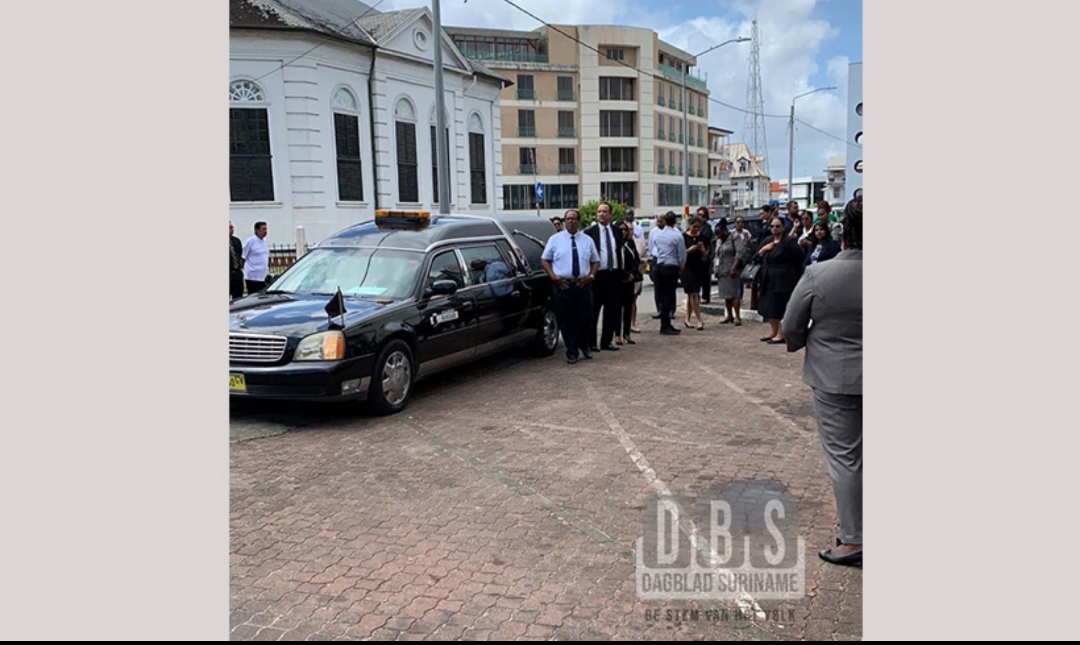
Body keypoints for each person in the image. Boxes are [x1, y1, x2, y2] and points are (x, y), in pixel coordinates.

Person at [782, 201, 863, 567]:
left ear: (842, 231)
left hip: (835, 377)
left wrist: (802, 343)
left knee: (846, 459)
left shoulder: (819, 273)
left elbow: (791, 325)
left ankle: (854, 538)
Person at [541, 210, 599, 364]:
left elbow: (595, 261)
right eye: (568, 219)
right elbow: (545, 260)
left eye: (574, 219)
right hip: (563, 286)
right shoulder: (555, 240)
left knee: (586, 318)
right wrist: (553, 277)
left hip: (583, 285)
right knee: (566, 320)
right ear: (564, 221)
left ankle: (584, 345)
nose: (571, 222)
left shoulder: (587, 240)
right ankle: (572, 351)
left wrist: (591, 276)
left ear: (578, 221)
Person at [756, 217, 805, 344]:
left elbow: (800, 257)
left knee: (780, 307)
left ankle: (781, 334)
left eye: (777, 226)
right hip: (768, 279)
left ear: (783, 227)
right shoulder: (768, 240)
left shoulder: (788, 242)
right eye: (772, 226)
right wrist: (764, 250)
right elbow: (756, 257)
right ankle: (773, 331)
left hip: (784, 280)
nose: (774, 228)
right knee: (769, 307)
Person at [584, 202, 625, 351]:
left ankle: (606, 341)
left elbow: (619, 252)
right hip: (597, 275)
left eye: (604, 211)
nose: (601, 214)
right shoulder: (590, 232)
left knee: (611, 309)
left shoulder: (617, 231)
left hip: (613, 274)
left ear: (610, 214)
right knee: (594, 310)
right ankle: (591, 342)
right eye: (599, 211)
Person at [651, 211, 687, 335]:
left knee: (662, 295)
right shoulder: (677, 236)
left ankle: (665, 322)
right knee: (669, 296)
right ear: (675, 221)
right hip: (671, 267)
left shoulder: (659, 235)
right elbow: (682, 253)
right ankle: (665, 324)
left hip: (660, 265)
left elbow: (655, 248)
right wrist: (682, 265)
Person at [713, 221, 747, 326]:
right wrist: (715, 268)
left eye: (719, 234)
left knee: (734, 294)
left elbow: (740, 253)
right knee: (726, 295)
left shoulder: (735, 238)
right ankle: (729, 315)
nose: (718, 236)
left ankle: (737, 316)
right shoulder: (719, 241)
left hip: (732, 270)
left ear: (725, 231)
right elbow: (716, 255)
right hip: (722, 270)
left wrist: (734, 267)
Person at [615, 221, 642, 345]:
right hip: (619, 280)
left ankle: (627, 333)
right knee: (617, 308)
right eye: (620, 230)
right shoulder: (615, 245)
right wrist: (625, 274)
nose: (623, 232)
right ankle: (617, 334)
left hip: (630, 280)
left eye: (625, 230)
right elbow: (615, 263)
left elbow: (636, 260)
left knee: (628, 306)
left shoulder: (630, 243)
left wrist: (632, 274)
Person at [681, 217, 708, 330]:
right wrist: (690, 250)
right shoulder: (683, 237)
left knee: (692, 294)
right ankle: (699, 320)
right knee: (693, 294)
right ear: (690, 225)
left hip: (698, 267)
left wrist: (702, 250)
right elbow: (681, 253)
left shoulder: (702, 237)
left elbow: (705, 256)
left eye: (698, 227)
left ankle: (687, 318)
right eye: (694, 227)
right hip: (687, 268)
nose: (696, 229)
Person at [242, 221, 270, 295]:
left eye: (266, 229)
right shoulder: (250, 241)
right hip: (252, 276)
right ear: (257, 230)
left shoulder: (265, 241)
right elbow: (243, 257)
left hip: (263, 276)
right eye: (263, 229)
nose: (265, 231)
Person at [695, 206, 715, 304]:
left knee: (705, 278)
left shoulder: (707, 228)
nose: (700, 217)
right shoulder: (695, 226)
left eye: (702, 215)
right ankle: (697, 295)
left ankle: (705, 296)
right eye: (698, 215)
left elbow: (705, 239)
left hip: (705, 256)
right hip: (695, 256)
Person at [230, 221, 244, 301]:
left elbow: (239, 255)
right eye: (230, 228)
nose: (232, 229)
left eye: (232, 227)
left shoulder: (236, 241)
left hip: (236, 273)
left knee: (238, 298)